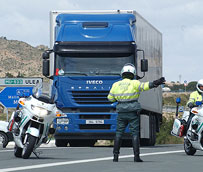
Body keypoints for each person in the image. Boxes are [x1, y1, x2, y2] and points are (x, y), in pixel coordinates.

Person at [107, 63, 165, 162]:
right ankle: (136, 156)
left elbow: (110, 98)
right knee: (134, 134)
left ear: (122, 73)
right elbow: (146, 86)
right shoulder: (135, 83)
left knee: (119, 133)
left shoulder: (115, 84)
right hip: (133, 111)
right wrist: (156, 82)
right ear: (133, 74)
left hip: (121, 112)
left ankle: (115, 156)